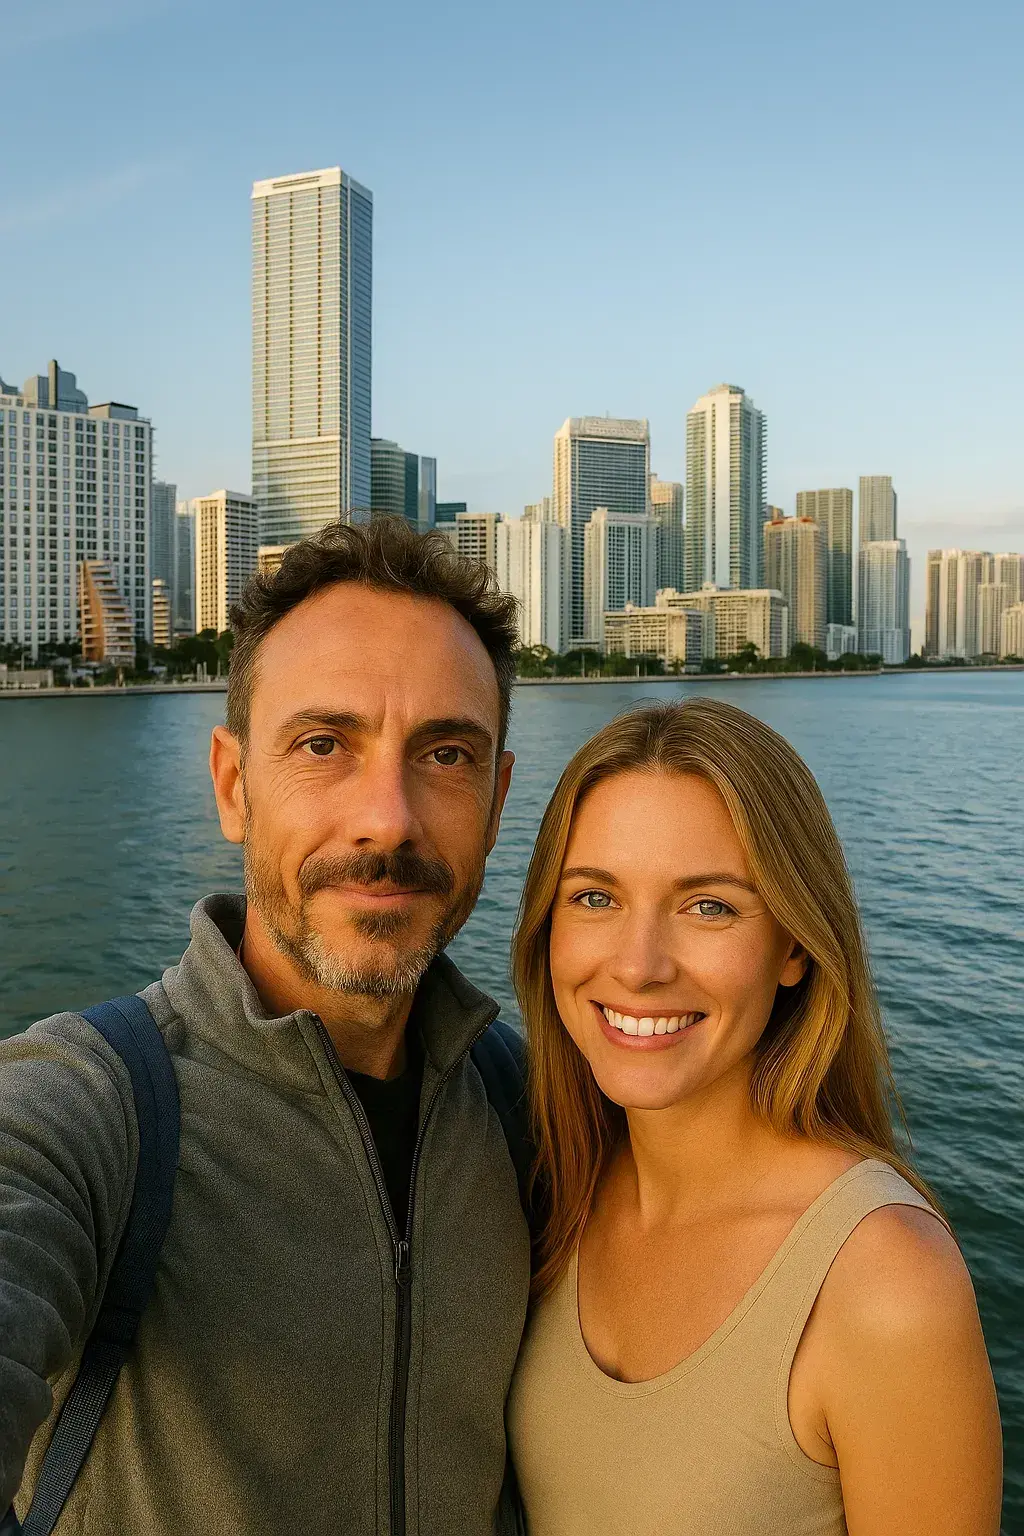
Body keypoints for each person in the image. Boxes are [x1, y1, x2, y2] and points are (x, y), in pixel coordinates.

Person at [0, 517, 531, 1534]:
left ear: (497, 800)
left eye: (446, 753)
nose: (388, 818)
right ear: (235, 786)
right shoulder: (92, 1110)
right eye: (324, 744)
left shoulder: (522, 1109)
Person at [507, 698, 1002, 1536]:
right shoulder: (552, 1186)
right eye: (594, 897)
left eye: (709, 907)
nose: (638, 965)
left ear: (795, 947)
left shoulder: (885, 1284)